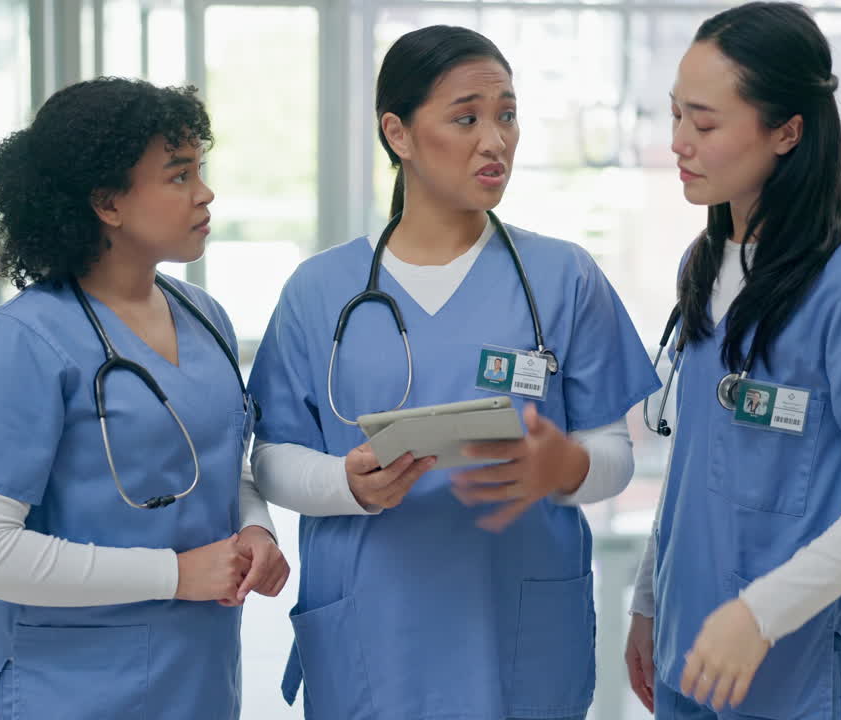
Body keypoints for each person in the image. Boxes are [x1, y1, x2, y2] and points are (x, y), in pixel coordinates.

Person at [247, 25, 660, 720]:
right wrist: (343, 485)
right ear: (398, 134)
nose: (495, 140)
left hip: (521, 637)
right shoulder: (320, 291)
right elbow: (272, 458)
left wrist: (566, 469)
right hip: (375, 638)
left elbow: (613, 454)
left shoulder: (564, 279)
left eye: (506, 114)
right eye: (466, 117)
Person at [623, 4, 841, 718]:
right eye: (676, 115)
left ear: (787, 131)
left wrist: (760, 613)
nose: (680, 141)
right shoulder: (706, 261)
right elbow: (695, 457)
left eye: (706, 123)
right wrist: (651, 598)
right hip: (693, 657)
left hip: (792, 673)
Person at [0, 77, 289, 720]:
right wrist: (173, 575)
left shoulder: (204, 317)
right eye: (179, 176)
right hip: (66, 690)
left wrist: (256, 528)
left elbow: (214, 467)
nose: (205, 193)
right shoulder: (22, 344)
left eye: (199, 171)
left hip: (197, 678)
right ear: (107, 202)